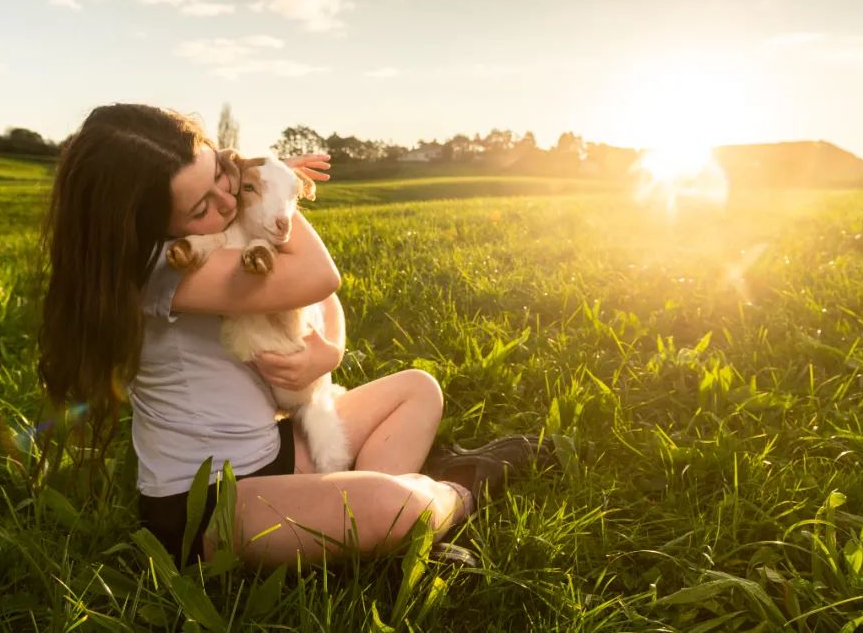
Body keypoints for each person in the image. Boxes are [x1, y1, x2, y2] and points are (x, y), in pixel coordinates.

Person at [37, 103, 546, 568]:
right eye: (200, 208)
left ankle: (384, 524)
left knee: (418, 387)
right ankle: (454, 488)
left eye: (222, 176)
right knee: (397, 508)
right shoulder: (159, 269)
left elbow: (322, 300)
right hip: (208, 503)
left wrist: (331, 350)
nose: (228, 200)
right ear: (142, 225)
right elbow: (318, 276)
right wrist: (276, 186)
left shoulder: (220, 229)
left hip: (270, 450)